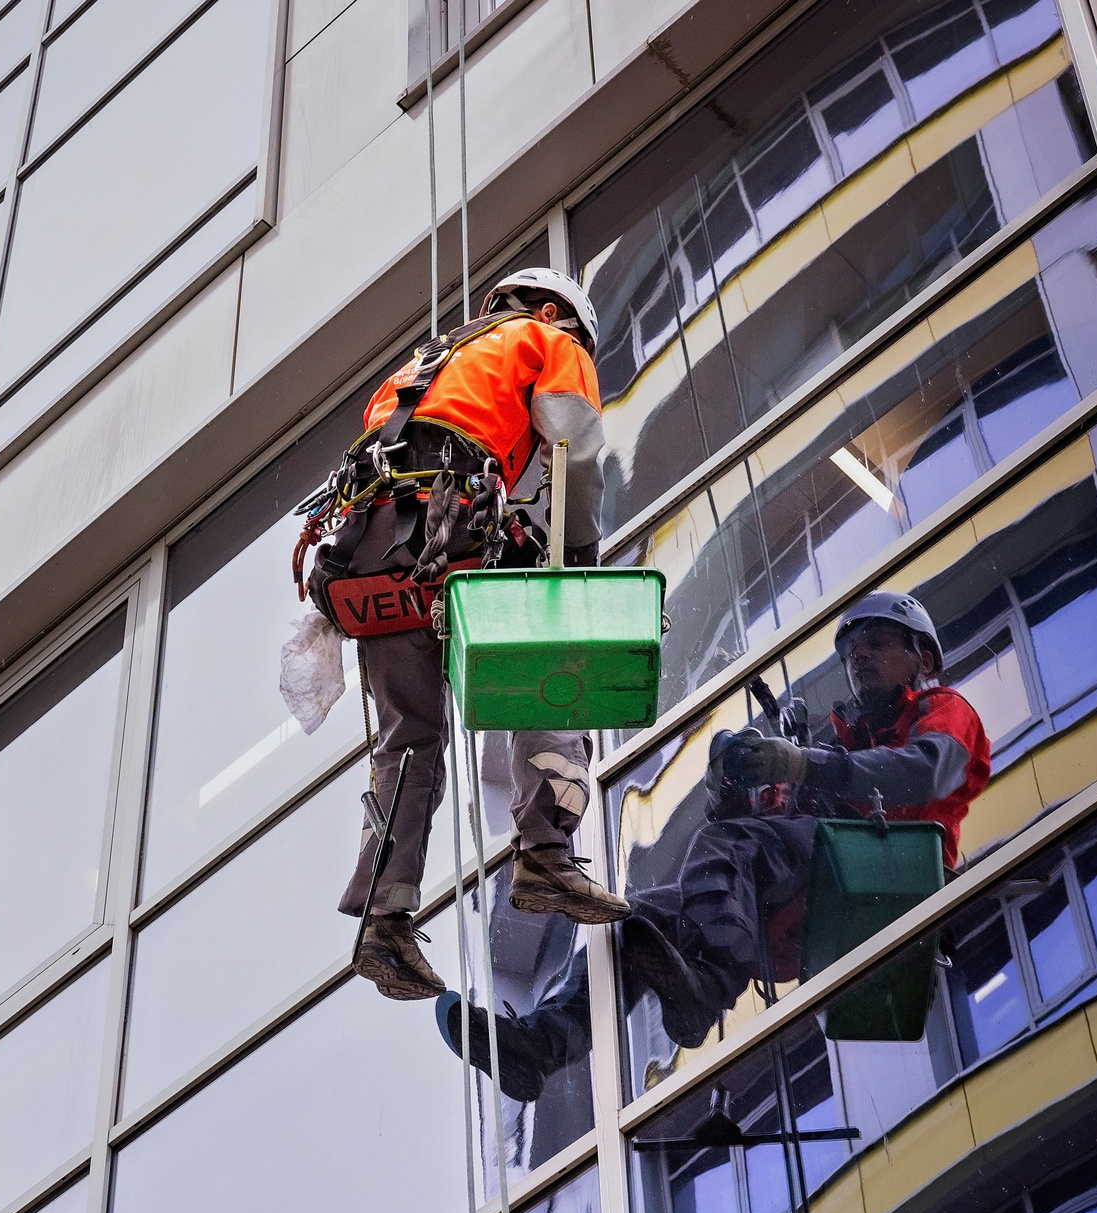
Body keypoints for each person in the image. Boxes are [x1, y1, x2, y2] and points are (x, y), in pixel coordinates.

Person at [438, 590, 991, 1097]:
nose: (859, 658)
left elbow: (922, 772)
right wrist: (729, 788)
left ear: (925, 657)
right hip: (822, 886)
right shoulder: (844, 743)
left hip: (889, 865)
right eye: (852, 651)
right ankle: (542, 1044)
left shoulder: (945, 713)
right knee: (635, 922)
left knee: (731, 844)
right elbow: (771, 830)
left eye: (877, 643)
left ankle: (707, 981)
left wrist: (802, 764)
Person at [307, 267, 629, 1002]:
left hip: (371, 557)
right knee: (543, 661)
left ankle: (384, 920)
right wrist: (575, 567)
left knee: (408, 740)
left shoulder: (417, 368)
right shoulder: (546, 338)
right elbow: (574, 454)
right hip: (452, 532)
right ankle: (547, 851)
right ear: (552, 311)